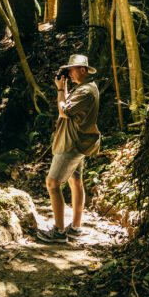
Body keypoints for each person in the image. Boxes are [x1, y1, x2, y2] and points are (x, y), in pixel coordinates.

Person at [37, 54, 101, 244]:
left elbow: (64, 111)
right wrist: (64, 87)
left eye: (71, 70)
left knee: (52, 183)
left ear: (83, 70)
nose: (69, 74)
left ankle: (59, 231)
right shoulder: (85, 88)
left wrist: (59, 89)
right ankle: (76, 227)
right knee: (75, 181)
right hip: (79, 141)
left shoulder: (85, 92)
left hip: (71, 144)